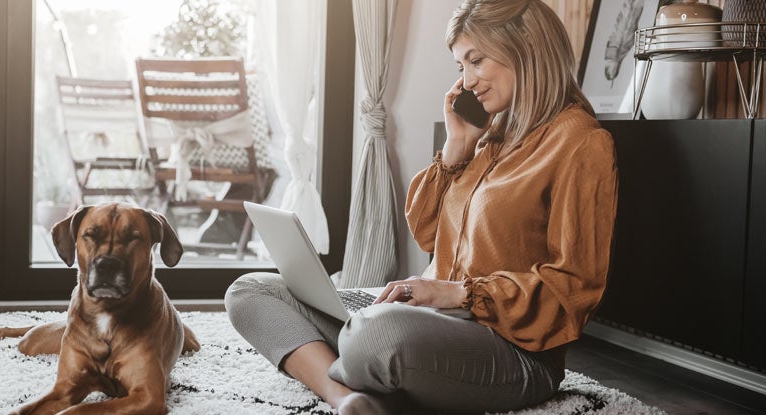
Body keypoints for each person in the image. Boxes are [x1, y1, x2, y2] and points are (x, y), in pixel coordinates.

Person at [224, 0, 619, 413]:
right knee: (250, 290)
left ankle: (326, 361)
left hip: (515, 350)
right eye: (459, 67)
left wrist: (457, 294)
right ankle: (346, 397)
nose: (467, 82)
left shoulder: (581, 143)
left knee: (375, 336)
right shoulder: (490, 134)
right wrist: (457, 147)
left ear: (526, 44)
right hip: (434, 322)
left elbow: (572, 290)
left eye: (475, 60)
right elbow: (427, 230)